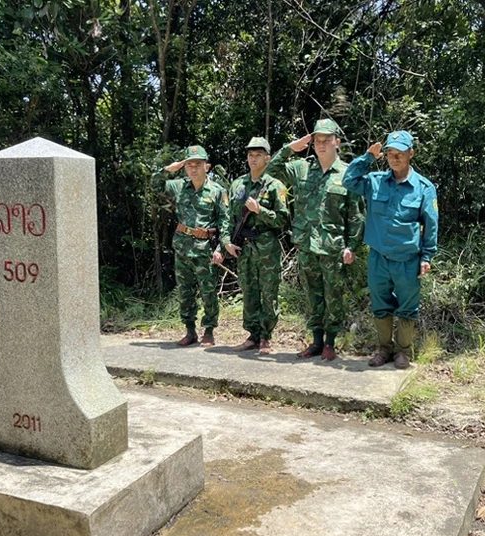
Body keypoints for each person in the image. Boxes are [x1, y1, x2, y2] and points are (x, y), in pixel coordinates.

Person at [264, 119, 365, 360]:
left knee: (333, 295)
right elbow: (268, 172)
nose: (321, 144)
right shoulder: (301, 168)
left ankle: (330, 342)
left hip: (332, 247)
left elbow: (357, 214)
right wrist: (290, 148)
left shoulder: (347, 173)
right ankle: (316, 341)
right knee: (313, 295)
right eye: (317, 140)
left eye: (326, 140)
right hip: (306, 243)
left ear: (336, 142)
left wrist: (352, 245)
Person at [341, 130, 439, 369]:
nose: (395, 158)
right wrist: (366, 158)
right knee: (380, 304)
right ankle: (384, 349)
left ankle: (403, 352)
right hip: (378, 258)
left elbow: (431, 222)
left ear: (411, 153)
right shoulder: (374, 182)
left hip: (407, 259)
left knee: (407, 307)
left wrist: (426, 256)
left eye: (400, 153)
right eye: (390, 154)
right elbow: (348, 180)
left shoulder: (423, 187)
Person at [154, 145, 230, 346]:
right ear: (184, 167)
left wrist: (220, 249)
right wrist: (168, 170)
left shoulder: (217, 191)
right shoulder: (178, 186)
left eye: (198, 164)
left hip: (205, 248)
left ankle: (209, 330)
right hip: (182, 247)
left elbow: (225, 221)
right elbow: (155, 184)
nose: (193, 168)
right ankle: (189, 330)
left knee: (208, 291)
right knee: (185, 292)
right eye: (189, 165)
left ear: (207, 166)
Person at [224, 137, 289, 354]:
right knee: (249, 291)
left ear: (267, 158)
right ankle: (252, 335)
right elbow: (228, 218)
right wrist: (226, 242)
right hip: (244, 247)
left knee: (269, 292)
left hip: (266, 248)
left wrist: (260, 210)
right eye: (250, 154)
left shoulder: (274, 185)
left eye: (258, 155)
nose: (253, 158)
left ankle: (266, 337)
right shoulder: (238, 185)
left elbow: (282, 219)